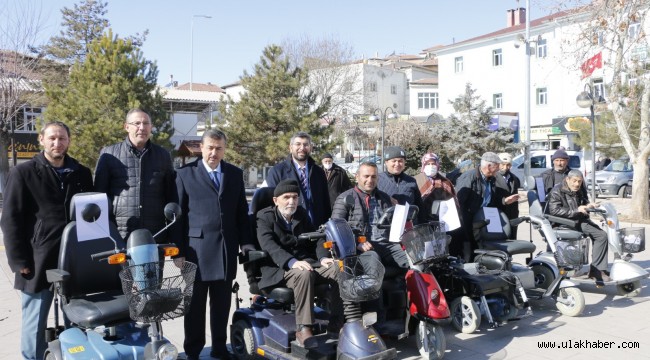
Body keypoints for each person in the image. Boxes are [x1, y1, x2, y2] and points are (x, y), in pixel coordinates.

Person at [1, 121, 93, 360]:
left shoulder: (81, 173)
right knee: (35, 323)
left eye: (62, 138)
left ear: (68, 141)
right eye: (52, 138)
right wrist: (18, 260)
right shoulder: (23, 172)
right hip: (37, 260)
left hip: (75, 260)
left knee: (78, 319)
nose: (57, 143)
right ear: (41, 140)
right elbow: (11, 220)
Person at [175, 129, 254, 360]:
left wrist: (246, 242)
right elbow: (178, 217)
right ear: (202, 147)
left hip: (225, 251)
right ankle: (193, 351)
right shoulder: (184, 175)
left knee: (221, 305)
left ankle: (220, 347)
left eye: (218, 148)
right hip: (195, 251)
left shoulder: (234, 174)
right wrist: (178, 251)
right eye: (210, 147)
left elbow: (241, 212)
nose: (214, 152)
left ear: (224, 149)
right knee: (195, 307)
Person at [256, 179, 343, 348]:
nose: (291, 201)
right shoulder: (264, 216)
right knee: (304, 273)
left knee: (339, 268)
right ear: (275, 200)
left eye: (295, 197)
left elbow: (317, 238)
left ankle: (337, 321)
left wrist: (323, 258)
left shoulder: (301, 213)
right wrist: (292, 262)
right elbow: (269, 245)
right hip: (278, 268)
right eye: (286, 197)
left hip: (307, 263)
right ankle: (304, 328)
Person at [94, 108, 178, 242]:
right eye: (137, 123)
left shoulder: (163, 155)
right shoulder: (109, 155)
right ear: (126, 127)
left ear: (151, 127)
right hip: (119, 234)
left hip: (155, 234)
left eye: (146, 123)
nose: (142, 128)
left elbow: (171, 195)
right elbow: (99, 195)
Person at [331, 162, 406, 271]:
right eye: (366, 176)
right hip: (362, 248)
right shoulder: (344, 198)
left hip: (386, 245)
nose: (370, 180)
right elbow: (336, 228)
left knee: (413, 262)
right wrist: (356, 242)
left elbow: (393, 224)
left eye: (373, 177)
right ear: (357, 177)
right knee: (374, 264)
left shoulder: (385, 198)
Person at [547, 170, 610, 285]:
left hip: (578, 219)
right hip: (565, 222)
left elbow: (584, 201)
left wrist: (588, 205)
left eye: (579, 181)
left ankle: (597, 269)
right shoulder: (557, 191)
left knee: (602, 235)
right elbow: (554, 210)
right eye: (574, 181)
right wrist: (576, 210)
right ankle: (595, 270)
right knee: (601, 235)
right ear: (567, 180)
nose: (577, 184)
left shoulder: (580, 189)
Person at [456, 152, 519, 259]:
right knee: (470, 252)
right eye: (497, 166)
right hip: (469, 222)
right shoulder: (469, 177)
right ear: (489, 166)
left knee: (483, 251)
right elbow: (459, 202)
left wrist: (505, 201)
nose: (499, 169)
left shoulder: (491, 179)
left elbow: (491, 198)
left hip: (483, 220)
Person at [266, 132, 331, 227]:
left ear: (311, 148)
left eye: (306, 144)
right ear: (290, 148)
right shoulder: (277, 172)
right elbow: (270, 203)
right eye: (298, 144)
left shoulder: (319, 172)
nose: (302, 148)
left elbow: (325, 202)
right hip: (290, 229)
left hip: (317, 228)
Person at [414, 153, 464, 256]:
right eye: (428, 164)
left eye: (433, 163)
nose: (431, 166)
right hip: (423, 221)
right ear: (423, 165)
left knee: (442, 249)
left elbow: (453, 201)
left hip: (442, 222)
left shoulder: (446, 182)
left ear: (437, 164)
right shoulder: (416, 180)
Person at [377, 146, 427, 224]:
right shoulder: (378, 180)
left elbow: (419, 205)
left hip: (408, 227)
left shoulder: (411, 181)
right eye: (394, 161)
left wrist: (422, 224)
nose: (397, 164)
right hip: (386, 227)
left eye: (400, 161)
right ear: (386, 162)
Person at [495, 153, 521, 239]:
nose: (505, 168)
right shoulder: (492, 178)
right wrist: (504, 201)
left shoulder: (514, 178)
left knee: (512, 240)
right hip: (499, 214)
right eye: (503, 164)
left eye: (508, 165)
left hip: (512, 215)